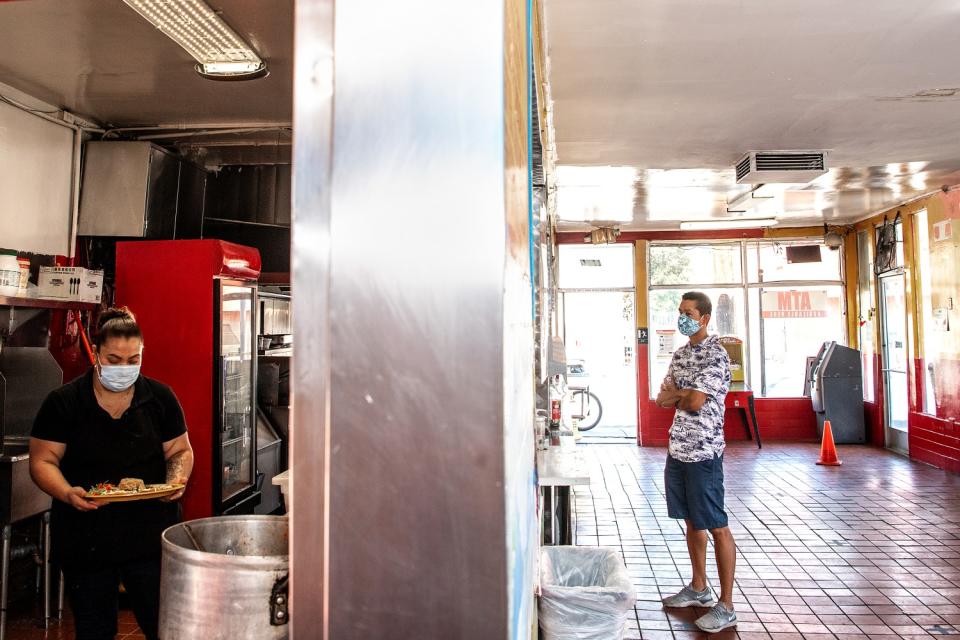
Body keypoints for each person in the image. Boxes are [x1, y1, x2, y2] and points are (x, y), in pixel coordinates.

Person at [29, 307, 193, 640]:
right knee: (95, 630)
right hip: (86, 537)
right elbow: (42, 461)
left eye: (134, 360)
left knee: (165, 626)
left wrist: (176, 480)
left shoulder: (160, 398)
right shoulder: (63, 403)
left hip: (149, 535)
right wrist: (66, 492)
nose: (124, 368)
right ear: (96, 355)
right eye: (114, 360)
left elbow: (180, 450)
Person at [655, 291, 737, 633]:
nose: (682, 317)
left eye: (688, 312)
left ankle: (727, 605)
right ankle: (700, 588)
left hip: (704, 451)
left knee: (716, 524)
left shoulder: (716, 356)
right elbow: (663, 399)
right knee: (691, 521)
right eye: (680, 311)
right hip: (678, 449)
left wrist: (683, 395)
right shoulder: (680, 355)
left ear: (704, 318)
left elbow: (696, 402)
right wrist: (682, 395)